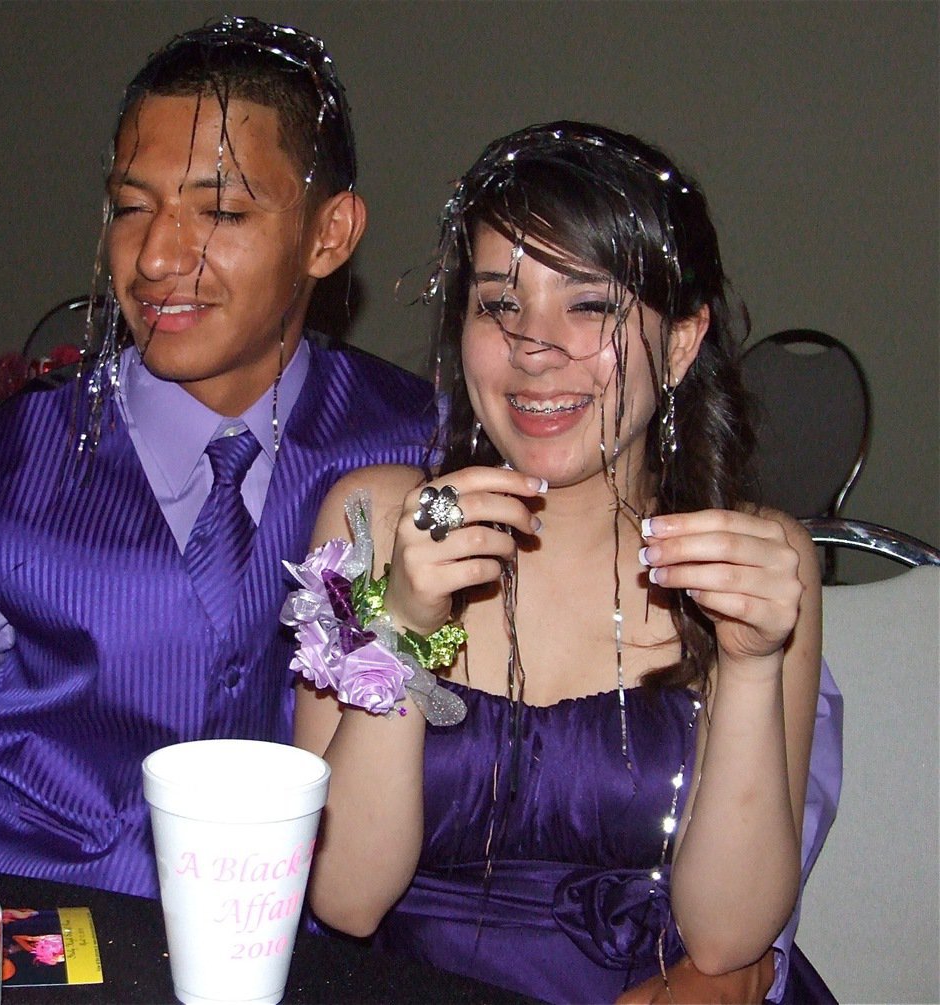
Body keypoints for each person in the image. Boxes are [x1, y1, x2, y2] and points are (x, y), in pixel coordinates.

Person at [0, 16, 438, 899]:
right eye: (132, 207)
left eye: (219, 210)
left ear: (330, 235)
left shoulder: (424, 459)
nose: (156, 256)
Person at [287, 122, 839, 1003]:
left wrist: (749, 663)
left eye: (591, 305)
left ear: (684, 341)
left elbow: (729, 935)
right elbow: (348, 899)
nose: (535, 346)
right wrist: (403, 628)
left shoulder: (757, 563)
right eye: (500, 302)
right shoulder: (379, 518)